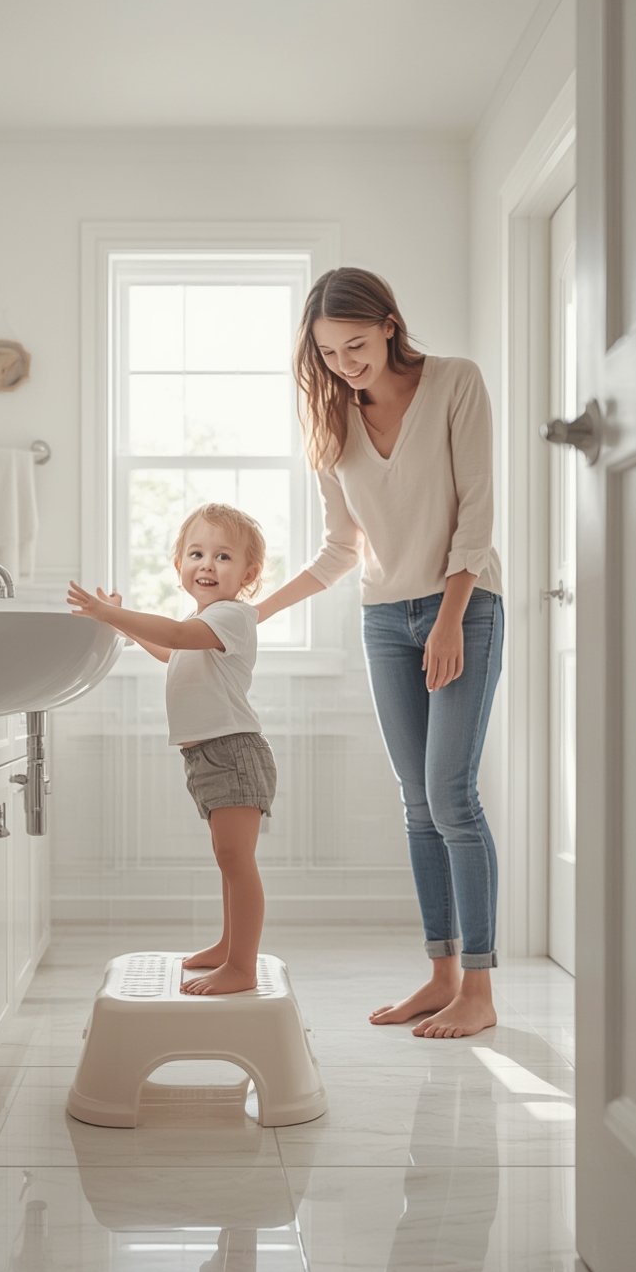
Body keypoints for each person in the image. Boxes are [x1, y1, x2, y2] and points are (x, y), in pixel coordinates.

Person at [256, 267, 504, 1039]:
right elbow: (339, 549)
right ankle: (438, 977)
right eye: (329, 353)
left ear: (390, 325)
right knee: (418, 804)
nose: (345, 364)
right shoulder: (332, 419)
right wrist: (251, 613)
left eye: (356, 345)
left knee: (452, 795)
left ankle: (480, 989)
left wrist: (449, 619)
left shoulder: (456, 382)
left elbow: (477, 516)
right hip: (383, 619)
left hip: (464, 606)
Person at [67, 502, 276, 997]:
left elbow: (178, 636)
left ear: (248, 574)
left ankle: (242, 966)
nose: (207, 564)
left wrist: (111, 612)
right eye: (196, 553)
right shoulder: (204, 621)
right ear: (178, 564)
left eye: (223, 557)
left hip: (233, 752)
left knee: (236, 859)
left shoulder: (233, 615)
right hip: (208, 755)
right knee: (228, 859)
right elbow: (172, 649)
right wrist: (122, 628)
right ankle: (229, 947)